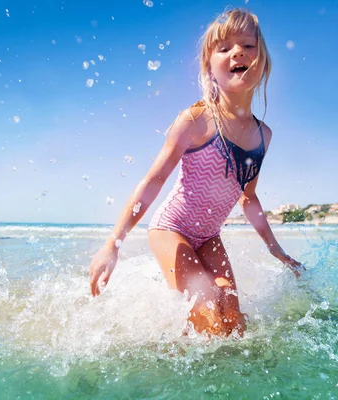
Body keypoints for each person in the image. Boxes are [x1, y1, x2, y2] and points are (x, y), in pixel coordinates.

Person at [89, 8, 302, 337]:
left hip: (209, 237)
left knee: (232, 318)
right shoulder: (197, 120)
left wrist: (276, 250)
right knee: (206, 308)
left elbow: (249, 197)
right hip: (170, 229)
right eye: (225, 48)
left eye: (248, 45)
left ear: (262, 61)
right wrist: (112, 244)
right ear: (209, 68)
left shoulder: (263, 137)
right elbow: (152, 181)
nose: (238, 52)